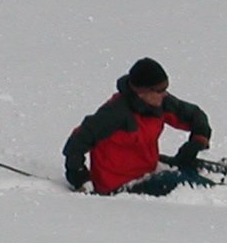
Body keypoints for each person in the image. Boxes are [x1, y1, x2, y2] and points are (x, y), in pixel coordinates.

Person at [63, 58, 214, 195]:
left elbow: (194, 115)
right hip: (119, 184)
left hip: (148, 169)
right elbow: (76, 143)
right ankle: (220, 194)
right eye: (160, 90)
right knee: (184, 183)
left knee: (201, 168)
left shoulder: (159, 103)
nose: (165, 94)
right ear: (142, 92)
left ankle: (222, 182)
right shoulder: (114, 114)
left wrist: (197, 142)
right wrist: (79, 177)